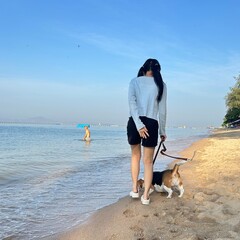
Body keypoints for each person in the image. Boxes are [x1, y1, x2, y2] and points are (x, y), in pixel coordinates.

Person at [127, 58, 167, 205]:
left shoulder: (134, 82)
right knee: (148, 162)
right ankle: (146, 197)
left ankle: (134, 190)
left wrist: (138, 125)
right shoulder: (161, 85)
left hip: (134, 121)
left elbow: (132, 105)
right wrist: (162, 130)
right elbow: (162, 111)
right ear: (158, 71)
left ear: (144, 69)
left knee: (135, 156)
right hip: (151, 123)